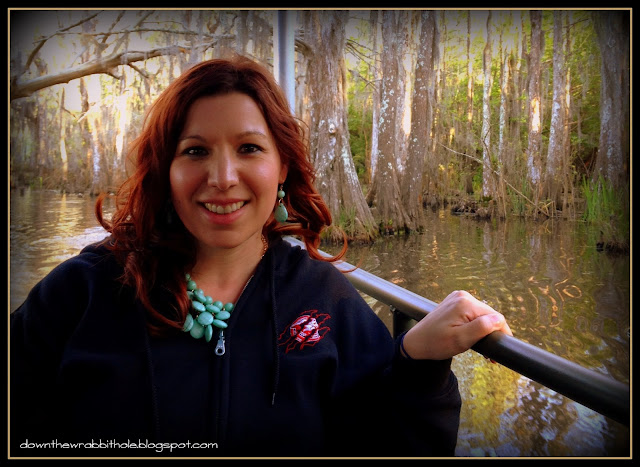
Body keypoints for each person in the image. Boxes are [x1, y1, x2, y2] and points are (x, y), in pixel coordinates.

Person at [10, 55, 512, 458]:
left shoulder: (325, 299)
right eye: (195, 151)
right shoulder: (84, 291)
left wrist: (416, 363)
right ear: (166, 170)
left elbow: (387, 442)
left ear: (281, 167)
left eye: (249, 148)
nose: (223, 177)